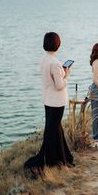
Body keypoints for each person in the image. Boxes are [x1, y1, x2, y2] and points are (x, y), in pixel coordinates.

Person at [24, 32, 74, 177]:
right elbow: (59, 85)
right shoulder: (55, 63)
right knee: (54, 130)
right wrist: (67, 75)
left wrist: (61, 73)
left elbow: (50, 79)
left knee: (54, 128)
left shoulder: (44, 59)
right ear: (58, 44)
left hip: (47, 99)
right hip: (57, 101)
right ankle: (53, 160)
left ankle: (61, 156)